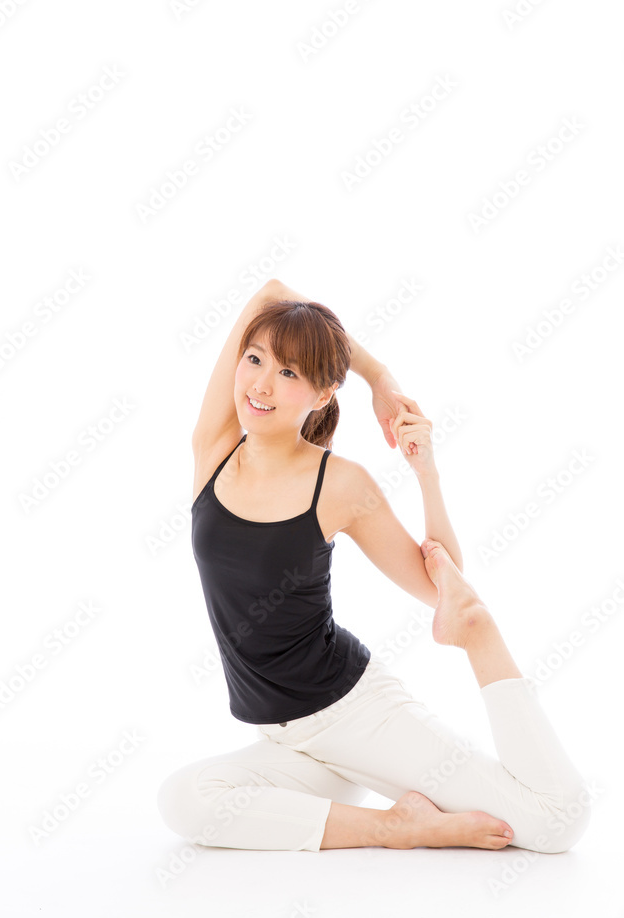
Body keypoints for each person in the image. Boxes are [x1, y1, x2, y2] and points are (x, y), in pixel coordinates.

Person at [158, 278, 591, 854]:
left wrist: (426, 474)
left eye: (289, 373)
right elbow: (270, 292)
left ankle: (483, 645)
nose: (261, 384)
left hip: (355, 717)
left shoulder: (338, 484)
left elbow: (444, 587)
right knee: (185, 800)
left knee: (555, 822)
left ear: (320, 393)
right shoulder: (213, 449)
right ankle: (396, 827)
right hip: (285, 738)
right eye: (255, 359)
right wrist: (378, 376)